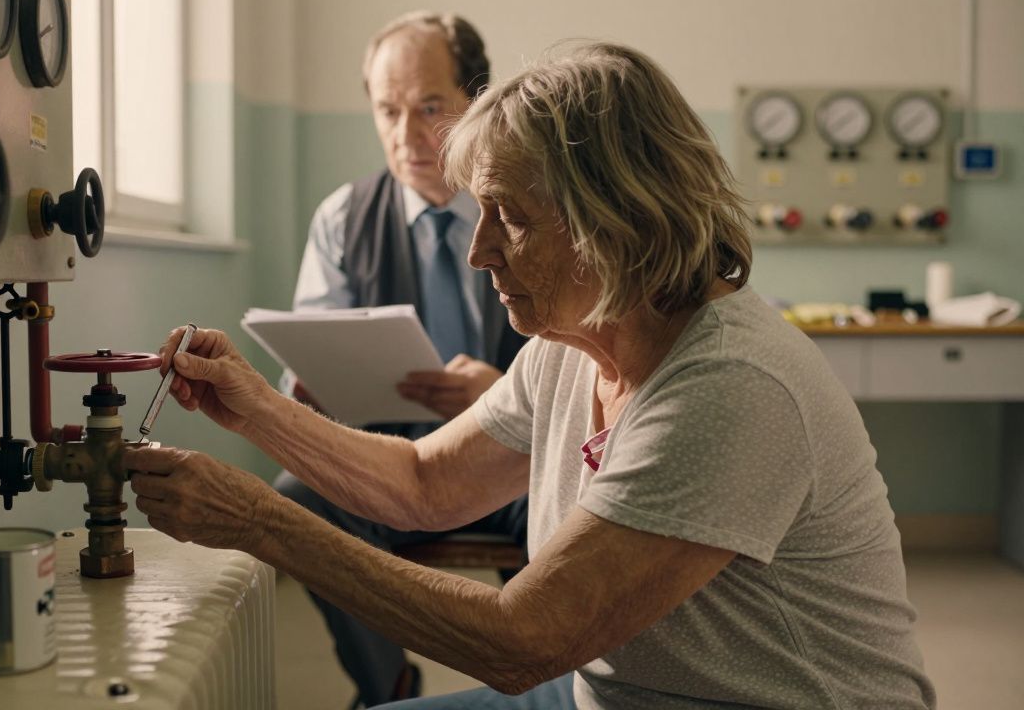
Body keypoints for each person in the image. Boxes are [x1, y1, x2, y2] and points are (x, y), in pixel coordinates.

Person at [127, 42, 936, 709]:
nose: (479, 250)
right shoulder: (565, 347)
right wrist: (259, 409)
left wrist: (259, 521)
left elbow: (521, 642)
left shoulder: (729, 385)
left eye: (509, 215)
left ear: (616, 218)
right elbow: (423, 483)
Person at [278, 11, 528, 707]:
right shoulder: (343, 217)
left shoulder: (529, 206)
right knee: (300, 502)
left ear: (476, 102)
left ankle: (547, 679)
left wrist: (504, 393)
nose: (406, 136)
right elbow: (307, 360)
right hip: (384, 462)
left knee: (580, 496)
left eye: (429, 108)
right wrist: (309, 387)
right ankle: (384, 687)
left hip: (510, 460)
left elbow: (586, 358)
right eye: (387, 111)